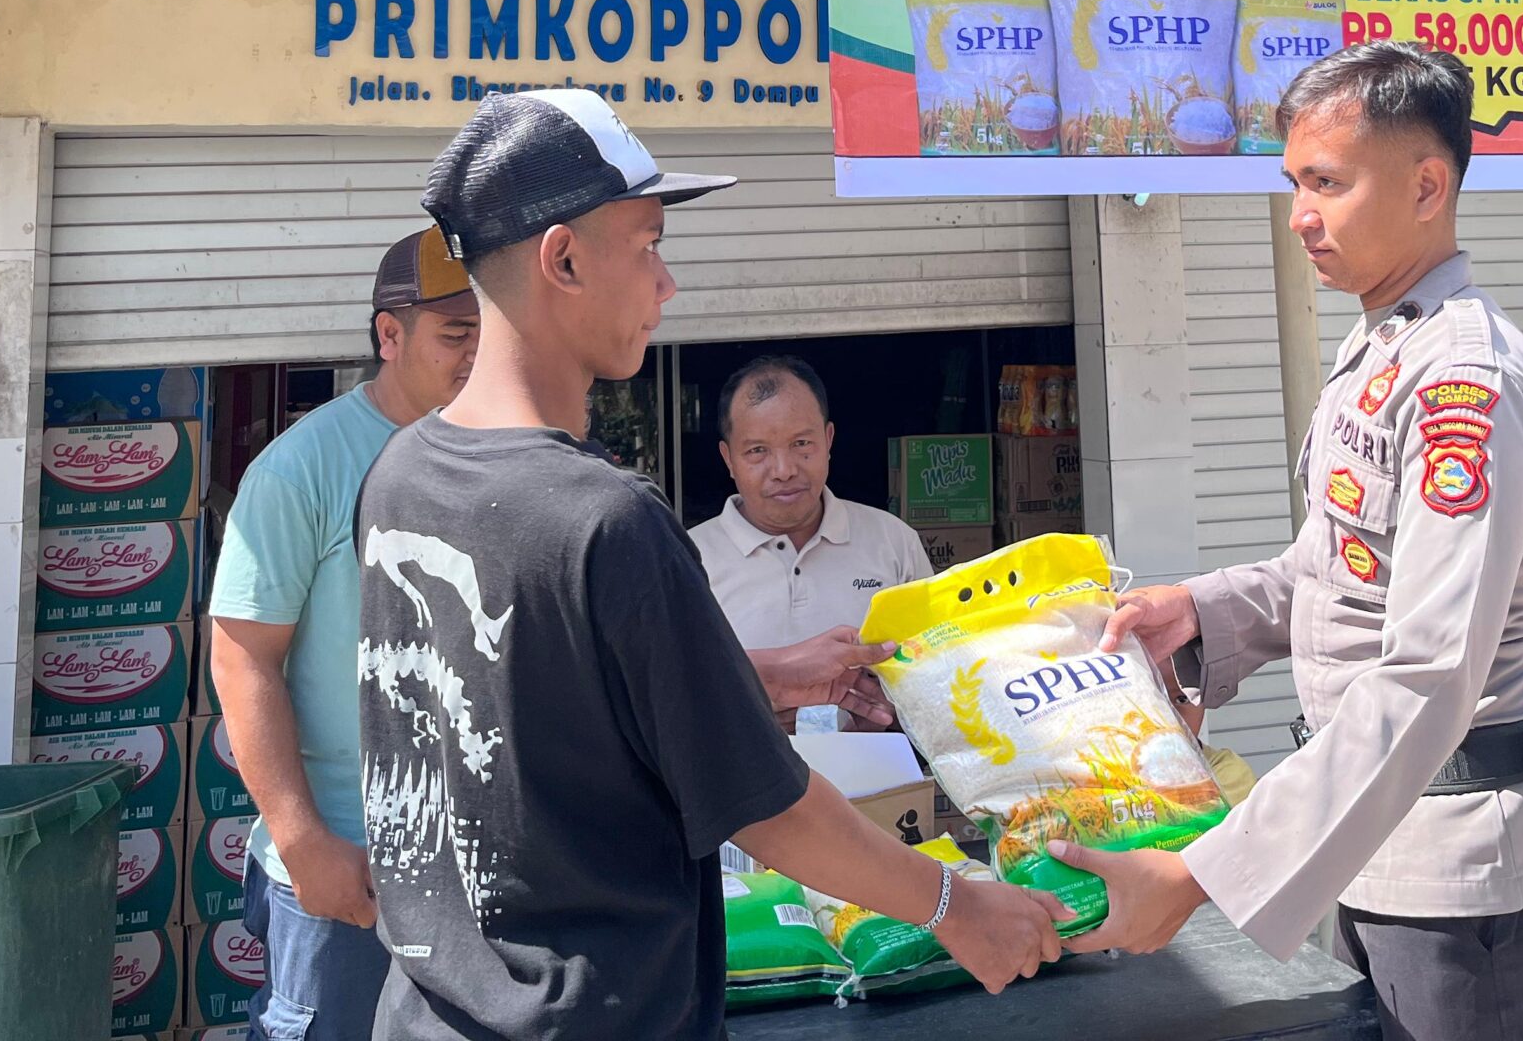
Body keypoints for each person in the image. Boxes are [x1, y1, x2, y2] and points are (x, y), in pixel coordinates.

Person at [354, 90, 1063, 1040]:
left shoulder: (400, 476)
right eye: (648, 246)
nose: (668, 283)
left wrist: (760, 677)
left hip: (427, 1012)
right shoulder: (608, 520)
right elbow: (767, 806)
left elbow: (546, 714)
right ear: (563, 259)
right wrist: (957, 906)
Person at [1056, 40, 1523, 1041]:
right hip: (1386, 854)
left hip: (1469, 891)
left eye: (1327, 183)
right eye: (1293, 184)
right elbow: (1339, 571)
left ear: (1427, 185)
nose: (1298, 216)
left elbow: (1429, 674)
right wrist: (1197, 613)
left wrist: (1201, 873)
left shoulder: (1465, 384)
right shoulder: (1384, 346)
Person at [206, 228, 482, 1041]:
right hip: (347, 867)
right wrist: (303, 842)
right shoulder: (304, 467)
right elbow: (242, 659)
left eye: (491, 332)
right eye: (455, 334)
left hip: (479, 866)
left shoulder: (503, 453)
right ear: (389, 335)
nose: (477, 354)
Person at [690, 354, 933, 729]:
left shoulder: (893, 541)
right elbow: (668, 695)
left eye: (801, 443)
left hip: (877, 766)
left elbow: (940, 675)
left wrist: (893, 707)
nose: (784, 470)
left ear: (828, 439)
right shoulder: (687, 560)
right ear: (729, 459)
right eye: (757, 451)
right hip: (739, 769)